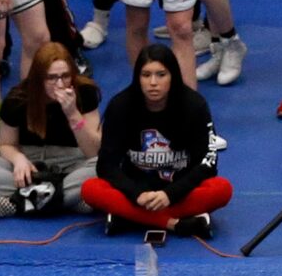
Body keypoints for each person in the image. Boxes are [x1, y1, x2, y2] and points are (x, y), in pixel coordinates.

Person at [81, 44, 228, 242]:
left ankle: (130, 218)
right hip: (137, 192)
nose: (153, 83)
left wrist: (170, 194)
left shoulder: (194, 105)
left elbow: (208, 164)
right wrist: (137, 194)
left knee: (222, 189)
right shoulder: (120, 106)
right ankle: (177, 224)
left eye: (161, 74)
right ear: (137, 78)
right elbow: (106, 166)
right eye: (146, 75)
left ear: (173, 76)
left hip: (179, 191)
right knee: (90, 189)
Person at [0, 41, 99, 218]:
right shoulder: (17, 99)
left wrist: (73, 114)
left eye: (65, 76)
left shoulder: (85, 92)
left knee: (104, 166)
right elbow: (5, 145)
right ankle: (66, 200)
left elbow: (94, 152)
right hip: (29, 162)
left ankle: (15, 204)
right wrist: (19, 159)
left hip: (72, 160)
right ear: (38, 78)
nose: (59, 84)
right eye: (51, 77)